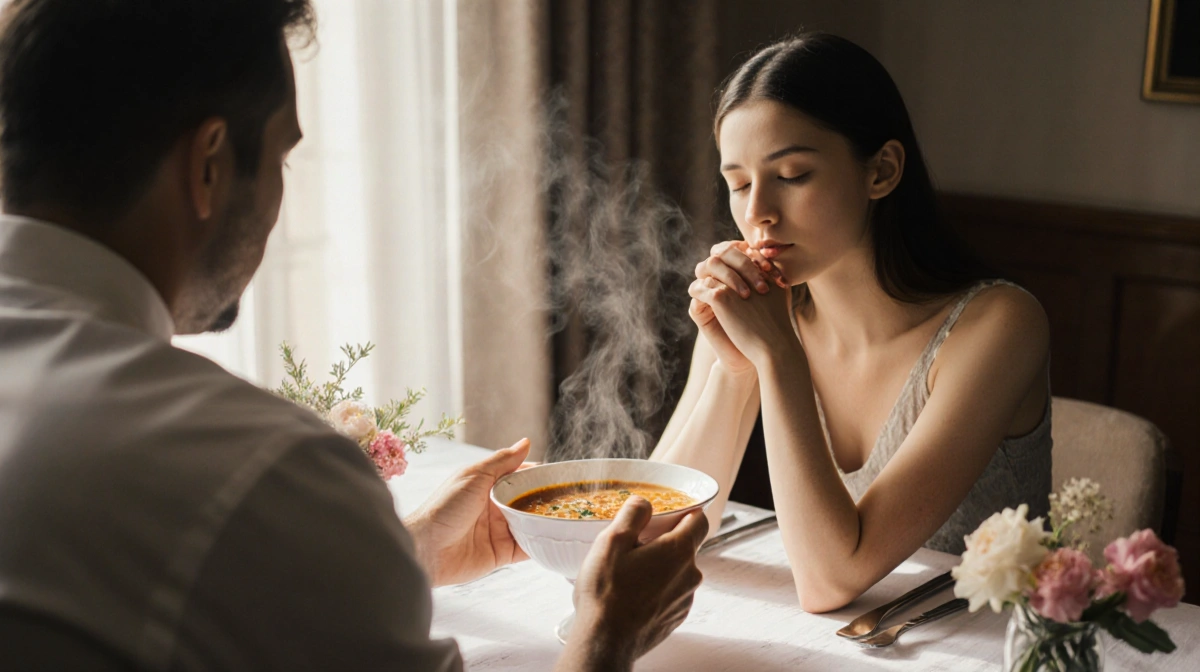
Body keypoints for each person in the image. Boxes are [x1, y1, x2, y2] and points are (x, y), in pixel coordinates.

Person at [0, 1, 706, 670]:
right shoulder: (256, 468)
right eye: (281, 159)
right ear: (209, 163)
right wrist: (606, 633)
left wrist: (401, 552)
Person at [651, 33, 1052, 613]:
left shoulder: (1000, 325)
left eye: (791, 174)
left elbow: (830, 582)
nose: (757, 211)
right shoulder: (758, 313)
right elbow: (660, 533)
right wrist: (735, 372)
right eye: (738, 183)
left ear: (882, 171)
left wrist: (779, 359)